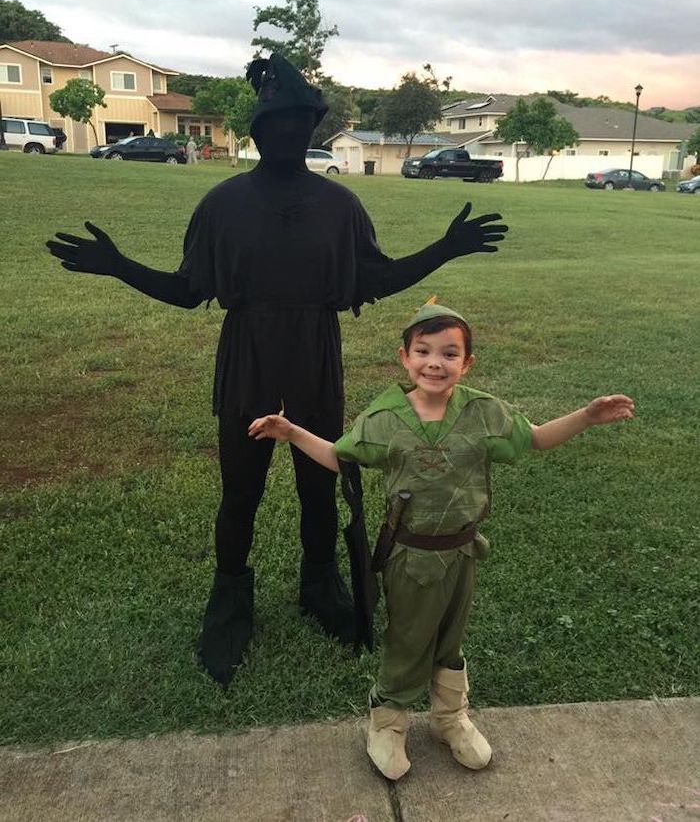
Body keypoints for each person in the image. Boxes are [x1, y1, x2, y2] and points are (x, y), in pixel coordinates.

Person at [45, 54, 509, 690]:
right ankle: (230, 599)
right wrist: (119, 264)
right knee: (241, 488)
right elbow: (189, 289)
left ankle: (320, 586)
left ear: (313, 128)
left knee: (322, 483)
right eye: (279, 121)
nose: (291, 132)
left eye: (303, 121)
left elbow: (374, 278)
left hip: (316, 352)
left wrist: (445, 248)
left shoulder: (340, 206)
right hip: (249, 353)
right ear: (259, 130)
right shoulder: (223, 204)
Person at [248, 302, 635, 780]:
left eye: (449, 353)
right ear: (405, 358)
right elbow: (340, 456)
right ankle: (387, 724)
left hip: (462, 549)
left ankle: (450, 718)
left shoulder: (482, 412)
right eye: (424, 351)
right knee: (410, 638)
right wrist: (291, 432)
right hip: (410, 553)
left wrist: (586, 417)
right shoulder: (384, 418)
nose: (435, 362)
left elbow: (533, 439)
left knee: (451, 637)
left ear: (467, 362)